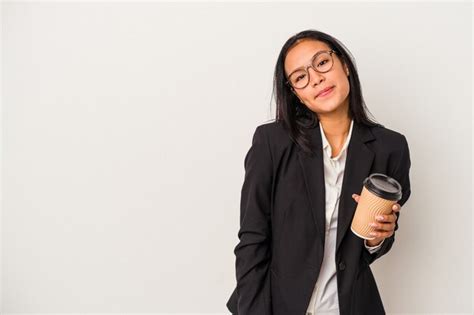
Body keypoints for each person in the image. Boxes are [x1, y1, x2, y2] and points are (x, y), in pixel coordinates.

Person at [226, 29, 412, 315]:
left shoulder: (390, 148)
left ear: (344, 65)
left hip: (351, 306)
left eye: (322, 63)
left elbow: (368, 248)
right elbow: (252, 239)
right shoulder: (272, 142)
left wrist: (378, 238)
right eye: (300, 77)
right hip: (277, 306)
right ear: (296, 94)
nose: (316, 79)